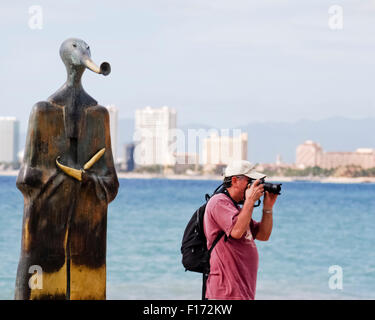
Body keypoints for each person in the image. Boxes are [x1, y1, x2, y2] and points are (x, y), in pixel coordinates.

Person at [203, 160, 278, 300]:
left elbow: (263, 235)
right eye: (250, 181)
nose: (253, 185)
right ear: (235, 180)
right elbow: (236, 232)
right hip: (224, 293)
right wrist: (250, 201)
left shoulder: (236, 209)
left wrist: (268, 207)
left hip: (243, 292)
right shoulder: (218, 202)